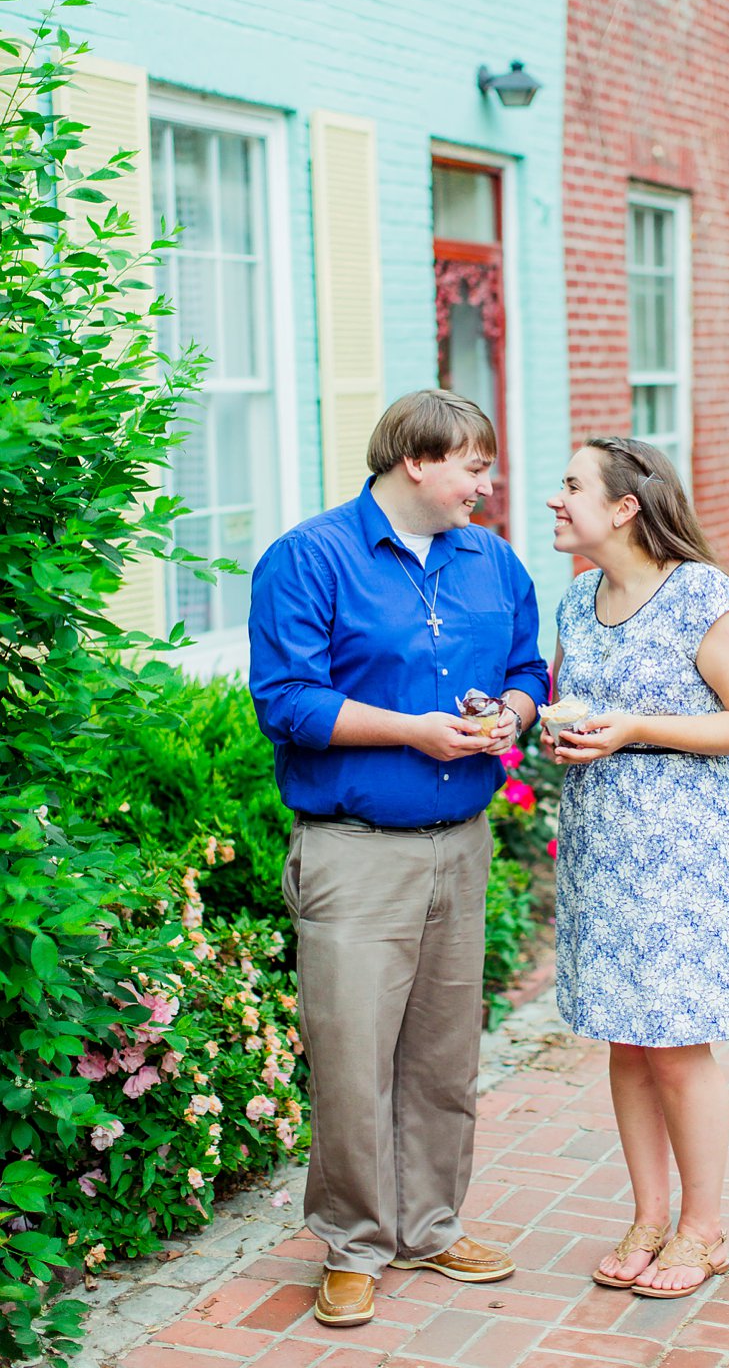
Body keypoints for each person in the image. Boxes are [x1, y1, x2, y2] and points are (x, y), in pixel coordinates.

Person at [248, 389, 548, 1328]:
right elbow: (286, 701)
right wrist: (415, 734)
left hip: (462, 846)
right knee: (350, 1059)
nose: (486, 486)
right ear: (416, 460)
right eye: (473, 465)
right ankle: (350, 1242)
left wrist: (513, 715)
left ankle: (430, 1222)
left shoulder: (492, 562)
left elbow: (529, 670)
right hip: (354, 852)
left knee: (443, 1057)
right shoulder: (310, 557)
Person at [542, 436, 729, 1299]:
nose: (554, 499)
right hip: (602, 850)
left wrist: (634, 725)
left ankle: (704, 1229)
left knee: (677, 1043)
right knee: (626, 1038)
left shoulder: (701, 596)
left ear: (624, 507)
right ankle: (648, 1216)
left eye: (571, 486)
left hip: (685, 852)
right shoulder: (575, 601)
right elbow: (584, 707)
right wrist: (562, 730)